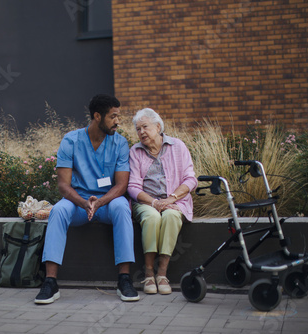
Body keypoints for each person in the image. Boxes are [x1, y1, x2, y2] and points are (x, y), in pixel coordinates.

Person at [34, 94, 140, 304]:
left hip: (108, 202)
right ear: (97, 116)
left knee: (122, 208)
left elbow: (121, 185)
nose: (117, 121)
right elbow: (63, 185)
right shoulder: (71, 140)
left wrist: (99, 202)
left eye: (118, 116)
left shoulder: (119, 143)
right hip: (78, 203)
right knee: (58, 211)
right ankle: (50, 282)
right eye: (113, 116)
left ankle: (124, 279)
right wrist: (84, 203)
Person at [127, 108, 197, 295]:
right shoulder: (135, 151)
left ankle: (162, 273)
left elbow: (190, 180)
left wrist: (171, 199)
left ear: (158, 127)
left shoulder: (178, 146)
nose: (141, 132)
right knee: (152, 217)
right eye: (138, 129)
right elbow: (133, 187)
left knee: (172, 216)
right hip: (146, 203)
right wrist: (154, 203)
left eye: (145, 127)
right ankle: (149, 272)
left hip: (174, 201)